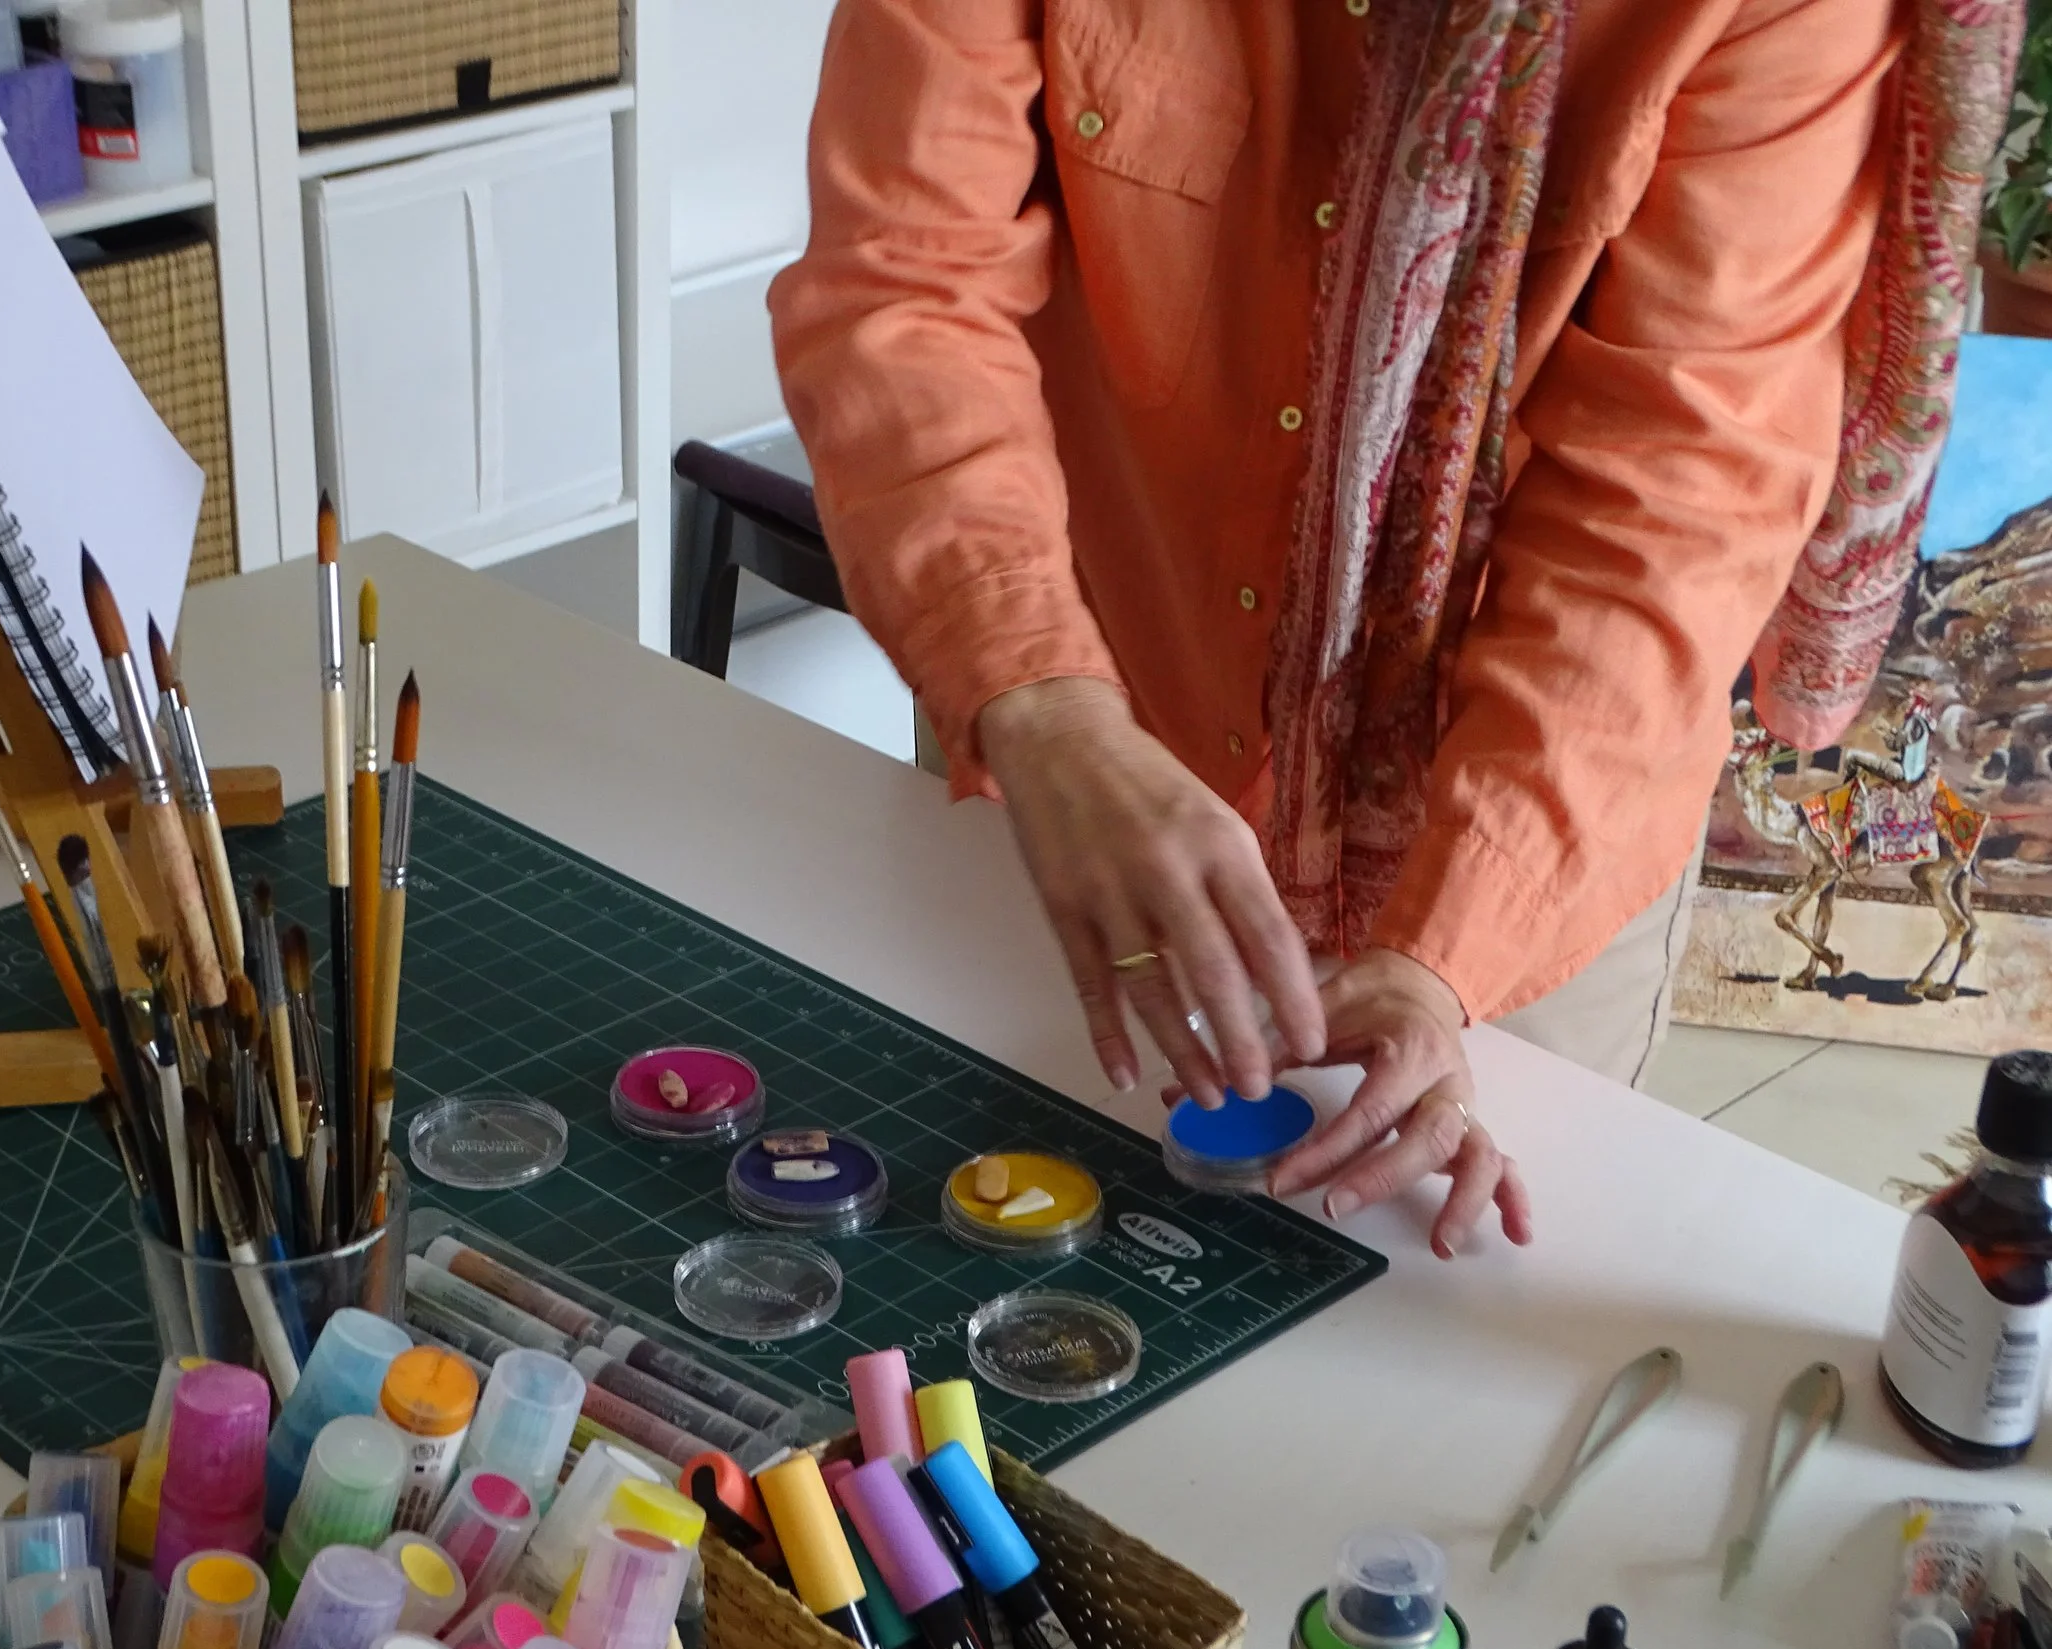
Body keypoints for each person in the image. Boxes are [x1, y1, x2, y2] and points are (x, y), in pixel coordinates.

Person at [768, 0, 2018, 1255]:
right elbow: (903, 277)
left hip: (1528, 819)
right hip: (1061, 724)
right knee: (989, 1258)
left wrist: (1442, 956)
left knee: (1439, 1368)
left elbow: (1681, 488)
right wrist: (1042, 699)